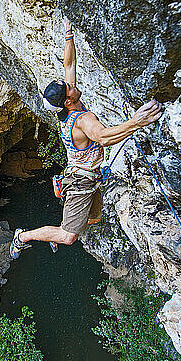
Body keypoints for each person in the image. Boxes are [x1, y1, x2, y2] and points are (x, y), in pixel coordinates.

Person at [10, 17, 163, 259]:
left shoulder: (67, 105)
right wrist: (137, 122)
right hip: (81, 181)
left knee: (95, 218)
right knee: (69, 236)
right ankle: (23, 237)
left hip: (86, 175)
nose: (72, 85)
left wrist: (68, 32)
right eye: (68, 88)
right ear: (68, 101)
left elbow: (69, 64)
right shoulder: (83, 120)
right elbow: (102, 137)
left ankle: (60, 194)